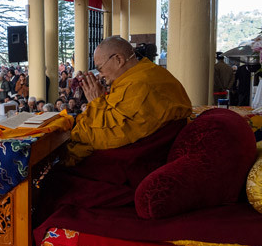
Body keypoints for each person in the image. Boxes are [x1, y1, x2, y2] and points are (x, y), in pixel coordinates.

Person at [67, 36, 192, 165]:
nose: (101, 75)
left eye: (100, 68)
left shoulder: (140, 85)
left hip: (133, 161)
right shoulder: (148, 72)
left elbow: (109, 135)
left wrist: (96, 101)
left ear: (118, 59)